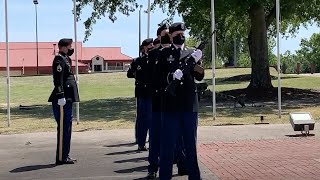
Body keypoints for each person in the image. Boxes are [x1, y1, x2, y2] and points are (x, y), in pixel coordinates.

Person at [158, 22, 204, 180]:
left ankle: (195, 177)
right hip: (171, 106)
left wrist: (198, 63)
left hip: (189, 105)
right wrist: (171, 76)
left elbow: (199, 76)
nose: (181, 36)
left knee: (190, 146)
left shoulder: (192, 52)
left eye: (183, 33)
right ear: (170, 36)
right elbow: (157, 78)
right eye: (177, 33)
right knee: (168, 147)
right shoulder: (163, 54)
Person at [48, 38, 80, 165]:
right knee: (63, 128)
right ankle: (61, 157)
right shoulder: (59, 59)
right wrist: (60, 94)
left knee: (67, 127)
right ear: (62, 47)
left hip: (68, 98)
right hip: (63, 98)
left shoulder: (66, 59)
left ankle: (65, 155)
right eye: (69, 46)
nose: (71, 48)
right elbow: (58, 78)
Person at [127, 38, 154, 151]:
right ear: (144, 47)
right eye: (149, 46)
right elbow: (129, 74)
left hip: (152, 92)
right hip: (142, 92)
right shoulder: (137, 61)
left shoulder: (155, 58)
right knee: (143, 118)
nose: (151, 48)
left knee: (152, 119)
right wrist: (138, 75)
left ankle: (151, 142)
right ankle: (141, 141)